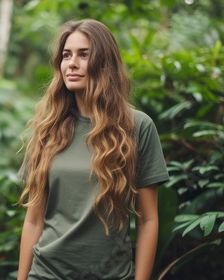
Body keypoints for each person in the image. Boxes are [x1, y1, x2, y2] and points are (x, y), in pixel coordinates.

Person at [16, 19, 169, 280]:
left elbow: (148, 221)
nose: (71, 63)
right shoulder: (47, 130)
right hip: (46, 274)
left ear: (104, 62)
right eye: (66, 55)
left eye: (83, 55)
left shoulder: (137, 126)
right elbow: (33, 220)